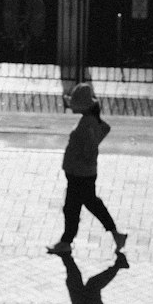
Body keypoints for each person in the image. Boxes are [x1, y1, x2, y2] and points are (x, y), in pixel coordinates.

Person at [47, 83, 127, 256]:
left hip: (80, 174)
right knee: (77, 206)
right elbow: (104, 129)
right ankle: (68, 241)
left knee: (79, 206)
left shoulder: (87, 123)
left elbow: (90, 147)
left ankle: (68, 241)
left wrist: (81, 156)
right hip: (81, 173)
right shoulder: (89, 121)